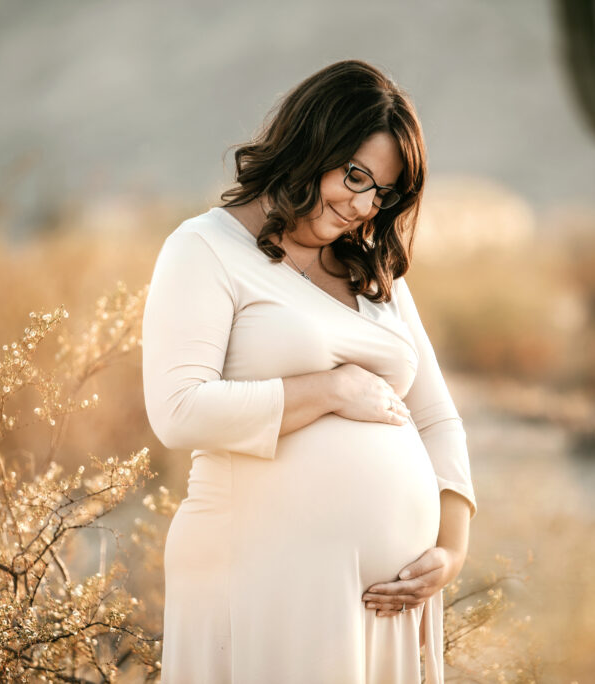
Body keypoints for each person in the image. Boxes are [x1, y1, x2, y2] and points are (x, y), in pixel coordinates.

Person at [141, 59, 477, 684]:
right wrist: (329, 389)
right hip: (259, 577)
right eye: (355, 176)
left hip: (384, 603)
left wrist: (450, 550)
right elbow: (178, 410)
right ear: (310, 142)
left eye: (383, 191)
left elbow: (437, 417)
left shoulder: (373, 273)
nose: (363, 204)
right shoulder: (206, 249)